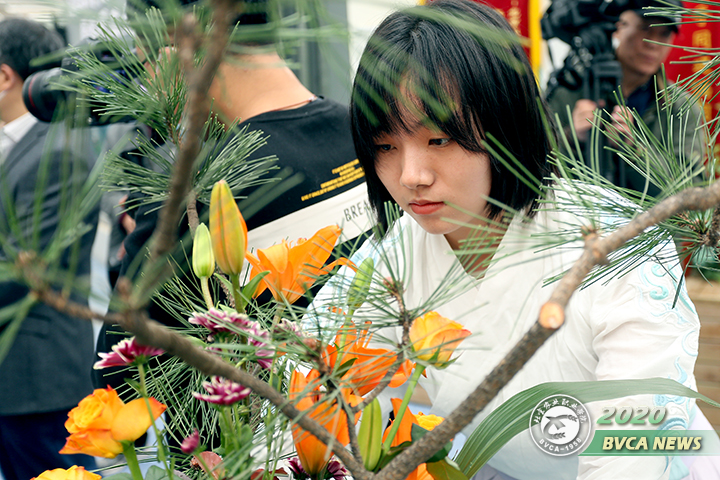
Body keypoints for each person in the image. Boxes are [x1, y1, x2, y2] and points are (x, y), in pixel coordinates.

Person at [306, 1, 717, 478]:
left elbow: (634, 453)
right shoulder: (393, 255)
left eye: (439, 139)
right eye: (384, 145)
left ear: (507, 122)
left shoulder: (619, 249)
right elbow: (308, 372)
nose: (410, 176)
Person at [94, 0, 371, 453]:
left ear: (176, 48)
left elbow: (120, 374)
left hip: (244, 456)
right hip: (369, 436)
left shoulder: (199, 189)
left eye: (145, 64)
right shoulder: (368, 134)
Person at [0, 18, 98, 480]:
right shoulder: (19, 144)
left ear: (4, 76)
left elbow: (27, 269)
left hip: (37, 379)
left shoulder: (56, 151)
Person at [545, 0, 706, 197]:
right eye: (645, 28)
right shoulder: (569, 92)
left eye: (664, 34)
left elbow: (693, 192)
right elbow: (534, 175)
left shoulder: (681, 107)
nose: (653, 43)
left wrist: (636, 151)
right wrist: (571, 138)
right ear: (618, 27)